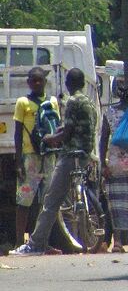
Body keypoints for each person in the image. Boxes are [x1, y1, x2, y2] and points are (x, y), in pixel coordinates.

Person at [11, 69, 98, 256]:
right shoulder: (89, 102)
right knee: (53, 200)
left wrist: (51, 138)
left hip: (69, 155)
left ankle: (35, 244)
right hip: (84, 153)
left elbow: (66, 132)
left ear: (68, 83)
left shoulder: (72, 101)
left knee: (51, 201)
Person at [12, 67, 60, 251]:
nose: (37, 83)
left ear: (45, 82)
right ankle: (19, 242)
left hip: (48, 156)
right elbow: (17, 133)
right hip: (29, 156)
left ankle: (42, 242)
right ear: (29, 83)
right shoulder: (22, 102)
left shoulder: (53, 102)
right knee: (24, 200)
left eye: (40, 80)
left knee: (47, 202)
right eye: (34, 80)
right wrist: (18, 162)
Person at [98, 78, 128, 253]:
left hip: (115, 164)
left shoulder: (109, 113)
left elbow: (103, 141)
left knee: (117, 204)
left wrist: (103, 164)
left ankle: (118, 242)